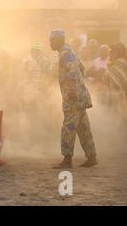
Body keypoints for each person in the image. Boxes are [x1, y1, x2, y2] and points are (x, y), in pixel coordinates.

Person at [49, 30, 97, 168]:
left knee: (68, 128)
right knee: (83, 127)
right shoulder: (70, 52)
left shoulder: (65, 54)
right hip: (79, 96)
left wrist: (71, 93)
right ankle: (92, 156)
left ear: (59, 40)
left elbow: (72, 73)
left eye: (52, 40)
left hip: (73, 98)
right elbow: (81, 69)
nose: (50, 43)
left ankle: (67, 159)